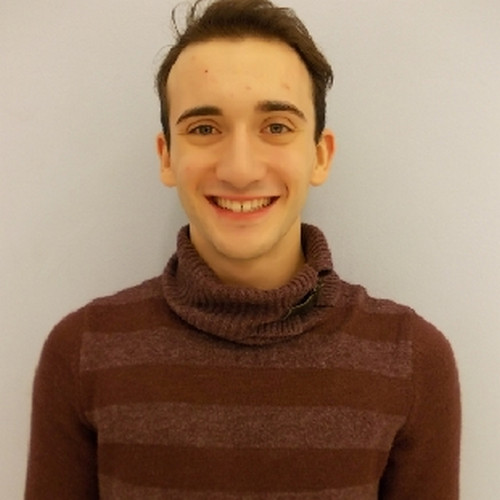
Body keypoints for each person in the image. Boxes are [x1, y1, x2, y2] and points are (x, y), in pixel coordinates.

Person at [25, 0, 460, 498]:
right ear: (167, 157)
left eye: (276, 127)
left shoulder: (412, 360)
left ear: (319, 156)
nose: (240, 169)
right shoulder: (83, 352)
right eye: (204, 129)